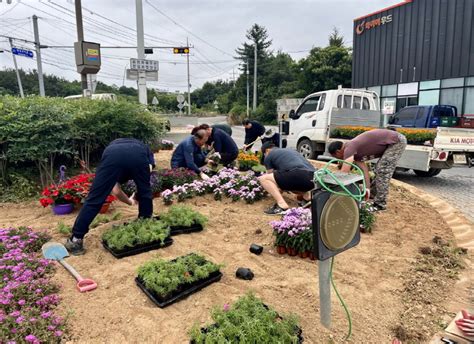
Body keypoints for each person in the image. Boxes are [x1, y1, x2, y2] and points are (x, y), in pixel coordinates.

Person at [65, 138, 155, 255]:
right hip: (138, 155)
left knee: (95, 199)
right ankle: (146, 226)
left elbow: (116, 191)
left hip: (113, 155)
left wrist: (130, 201)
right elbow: (146, 176)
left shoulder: (113, 152)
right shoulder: (145, 150)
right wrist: (137, 196)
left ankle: (76, 240)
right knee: (145, 192)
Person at [328, 128, 407, 211]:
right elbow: (365, 172)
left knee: (383, 169)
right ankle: (373, 195)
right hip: (392, 141)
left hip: (396, 141)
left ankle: (380, 204)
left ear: (338, 152)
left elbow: (344, 172)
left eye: (336, 157)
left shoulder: (349, 148)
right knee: (378, 169)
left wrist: (331, 183)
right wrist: (367, 189)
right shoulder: (355, 154)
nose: (338, 161)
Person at [257, 142, 316, 215]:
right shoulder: (290, 151)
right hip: (312, 178)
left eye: (264, 154)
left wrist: (275, 190)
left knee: (264, 179)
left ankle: (282, 206)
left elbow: (271, 176)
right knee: (290, 179)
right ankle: (306, 198)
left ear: (267, 151)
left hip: (297, 174)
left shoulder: (269, 155)